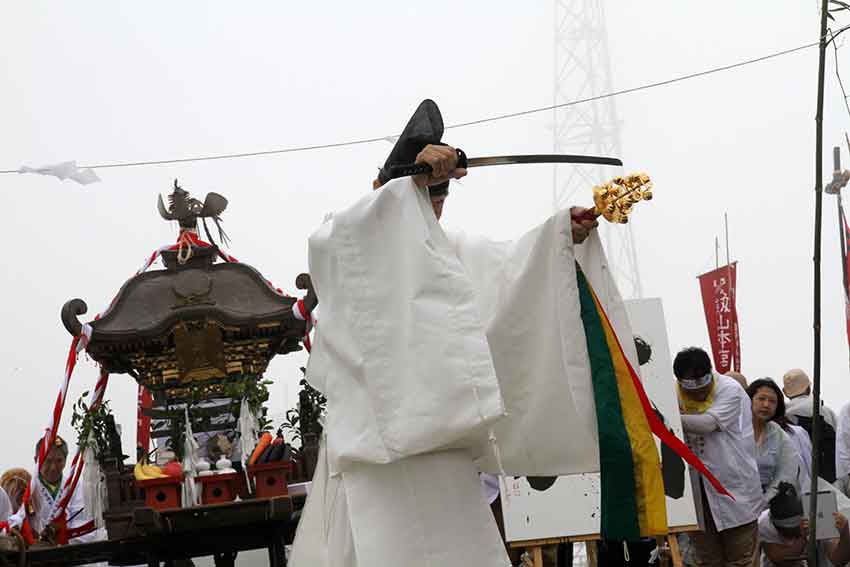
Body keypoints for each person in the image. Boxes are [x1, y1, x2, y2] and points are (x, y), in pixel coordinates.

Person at [290, 101, 644, 567]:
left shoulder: (450, 253)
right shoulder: (351, 239)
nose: (430, 206)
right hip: (372, 453)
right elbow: (340, 239)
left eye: (438, 198)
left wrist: (561, 235)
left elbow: (512, 269)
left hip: (442, 446)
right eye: (421, 195)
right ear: (386, 192)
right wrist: (409, 183)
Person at [675, 347, 762, 567]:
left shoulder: (729, 389)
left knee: (741, 561)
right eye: (692, 393)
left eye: (703, 390)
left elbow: (708, 424)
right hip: (698, 497)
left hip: (736, 494)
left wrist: (669, 417)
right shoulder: (671, 392)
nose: (699, 395)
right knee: (706, 561)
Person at [8, 437, 104, 547]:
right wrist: (14, 526)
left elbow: (81, 522)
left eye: (59, 461)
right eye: (48, 461)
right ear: (36, 460)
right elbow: (18, 516)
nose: (53, 467)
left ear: (65, 460)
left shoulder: (75, 486)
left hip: (67, 548)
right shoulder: (27, 488)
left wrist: (60, 535)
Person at [759, 481, 850, 567]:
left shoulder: (820, 514)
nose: (791, 538)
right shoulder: (764, 523)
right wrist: (802, 538)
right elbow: (781, 561)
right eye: (787, 533)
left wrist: (845, 533)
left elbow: (838, 560)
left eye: (795, 531)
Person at [746, 379, 805, 505]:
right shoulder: (734, 429)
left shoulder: (777, 433)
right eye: (761, 399)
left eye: (772, 401)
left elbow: (787, 471)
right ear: (749, 400)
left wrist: (767, 499)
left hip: (767, 504)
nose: (766, 405)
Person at [784, 368, 838, 483]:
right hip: (829, 477)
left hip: (798, 479)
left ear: (785, 392)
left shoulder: (782, 417)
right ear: (809, 388)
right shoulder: (825, 411)